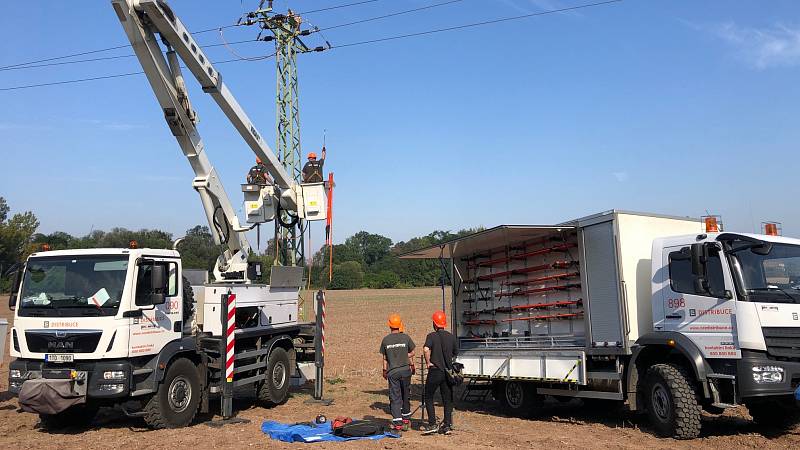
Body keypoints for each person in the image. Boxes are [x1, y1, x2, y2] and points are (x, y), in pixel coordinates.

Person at [421, 310, 458, 435]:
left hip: (435, 371)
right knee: (447, 399)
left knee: (429, 396)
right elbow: (455, 353)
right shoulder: (452, 337)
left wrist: (428, 362)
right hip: (447, 372)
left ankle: (432, 424)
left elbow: (426, 349)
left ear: (435, 324)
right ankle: (447, 426)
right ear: (444, 324)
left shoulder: (431, 336)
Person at [379, 313, 416, 432]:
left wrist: (384, 370)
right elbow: (413, 352)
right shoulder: (406, 337)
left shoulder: (385, 340)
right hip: (406, 371)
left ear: (389, 325)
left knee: (395, 398)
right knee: (406, 395)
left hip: (393, 372)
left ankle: (397, 424)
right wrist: (407, 359)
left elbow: (384, 358)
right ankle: (406, 421)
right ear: (400, 325)